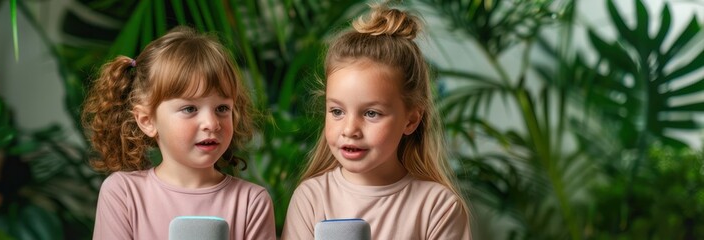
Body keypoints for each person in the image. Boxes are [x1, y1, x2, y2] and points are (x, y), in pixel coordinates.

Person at [281, 4, 471, 240]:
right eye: (337, 111)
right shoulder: (310, 198)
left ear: (411, 120)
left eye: (371, 113)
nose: (350, 130)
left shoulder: (438, 207)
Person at [82, 26, 276, 240]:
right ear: (147, 121)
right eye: (189, 109)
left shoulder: (251, 202)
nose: (211, 123)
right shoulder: (123, 194)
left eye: (222, 108)